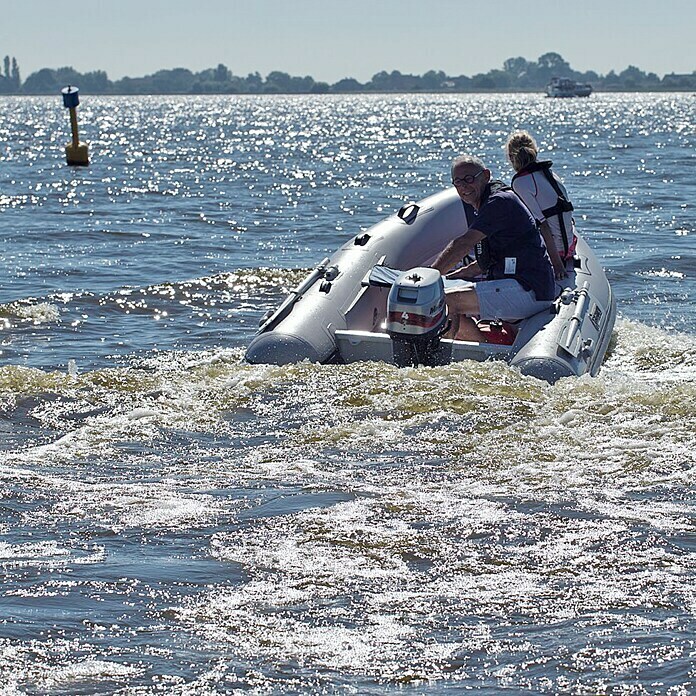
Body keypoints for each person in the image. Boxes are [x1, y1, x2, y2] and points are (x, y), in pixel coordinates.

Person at [431, 154, 555, 342]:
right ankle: (468, 344)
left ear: (486, 176)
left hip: (529, 289)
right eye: (458, 182)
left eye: (469, 179)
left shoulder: (499, 202)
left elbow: (464, 243)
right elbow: (488, 259)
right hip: (516, 284)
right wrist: (459, 274)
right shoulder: (483, 203)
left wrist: (428, 276)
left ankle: (480, 351)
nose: (464, 186)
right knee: (450, 293)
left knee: (447, 301)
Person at [506, 130, 577, 280]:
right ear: (535, 152)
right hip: (570, 247)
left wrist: (557, 265)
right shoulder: (550, 174)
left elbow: (542, 226)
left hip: (556, 253)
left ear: (511, 157)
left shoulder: (520, 182)